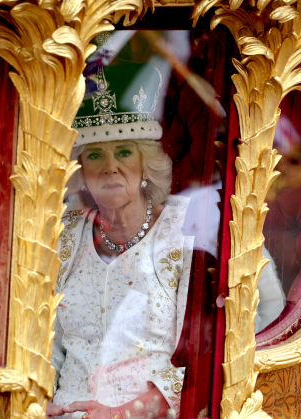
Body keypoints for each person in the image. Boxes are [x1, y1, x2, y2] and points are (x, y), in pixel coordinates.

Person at [48, 62, 194, 419]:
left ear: (146, 165)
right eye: (96, 155)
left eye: (124, 152)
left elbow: (211, 353)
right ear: (81, 169)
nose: (110, 167)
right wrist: (36, 398)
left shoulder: (187, 230)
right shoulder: (60, 232)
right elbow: (43, 343)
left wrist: (128, 411)